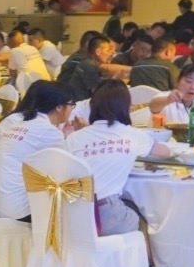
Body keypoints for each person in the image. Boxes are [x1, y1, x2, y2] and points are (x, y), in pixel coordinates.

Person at [65, 82, 169, 235]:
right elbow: (164, 152)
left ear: (93, 106)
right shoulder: (132, 134)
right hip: (106, 216)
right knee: (144, 217)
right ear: (125, 107)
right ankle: (137, 251)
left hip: (72, 215)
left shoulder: (74, 137)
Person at [0, 82, 71, 223]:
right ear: (59, 107)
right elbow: (69, 166)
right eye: (71, 105)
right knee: (71, 199)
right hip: (18, 211)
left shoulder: (20, 123)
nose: (71, 110)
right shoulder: (48, 131)